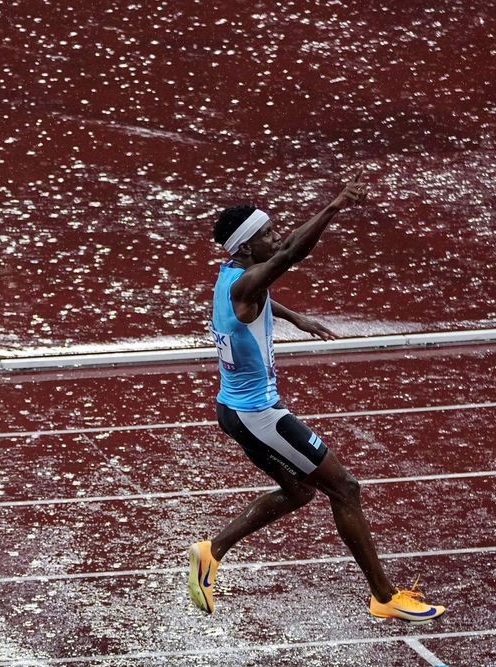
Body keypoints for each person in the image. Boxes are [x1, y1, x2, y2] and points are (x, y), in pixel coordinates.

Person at [187, 185, 446, 622]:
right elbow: (289, 254)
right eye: (268, 233)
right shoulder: (248, 281)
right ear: (247, 246)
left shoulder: (230, 276)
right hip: (260, 415)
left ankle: (211, 551)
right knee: (345, 488)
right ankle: (383, 596)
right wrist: (333, 206)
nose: (277, 236)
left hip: (232, 410)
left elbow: (257, 292)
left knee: (300, 490)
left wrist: (293, 318)